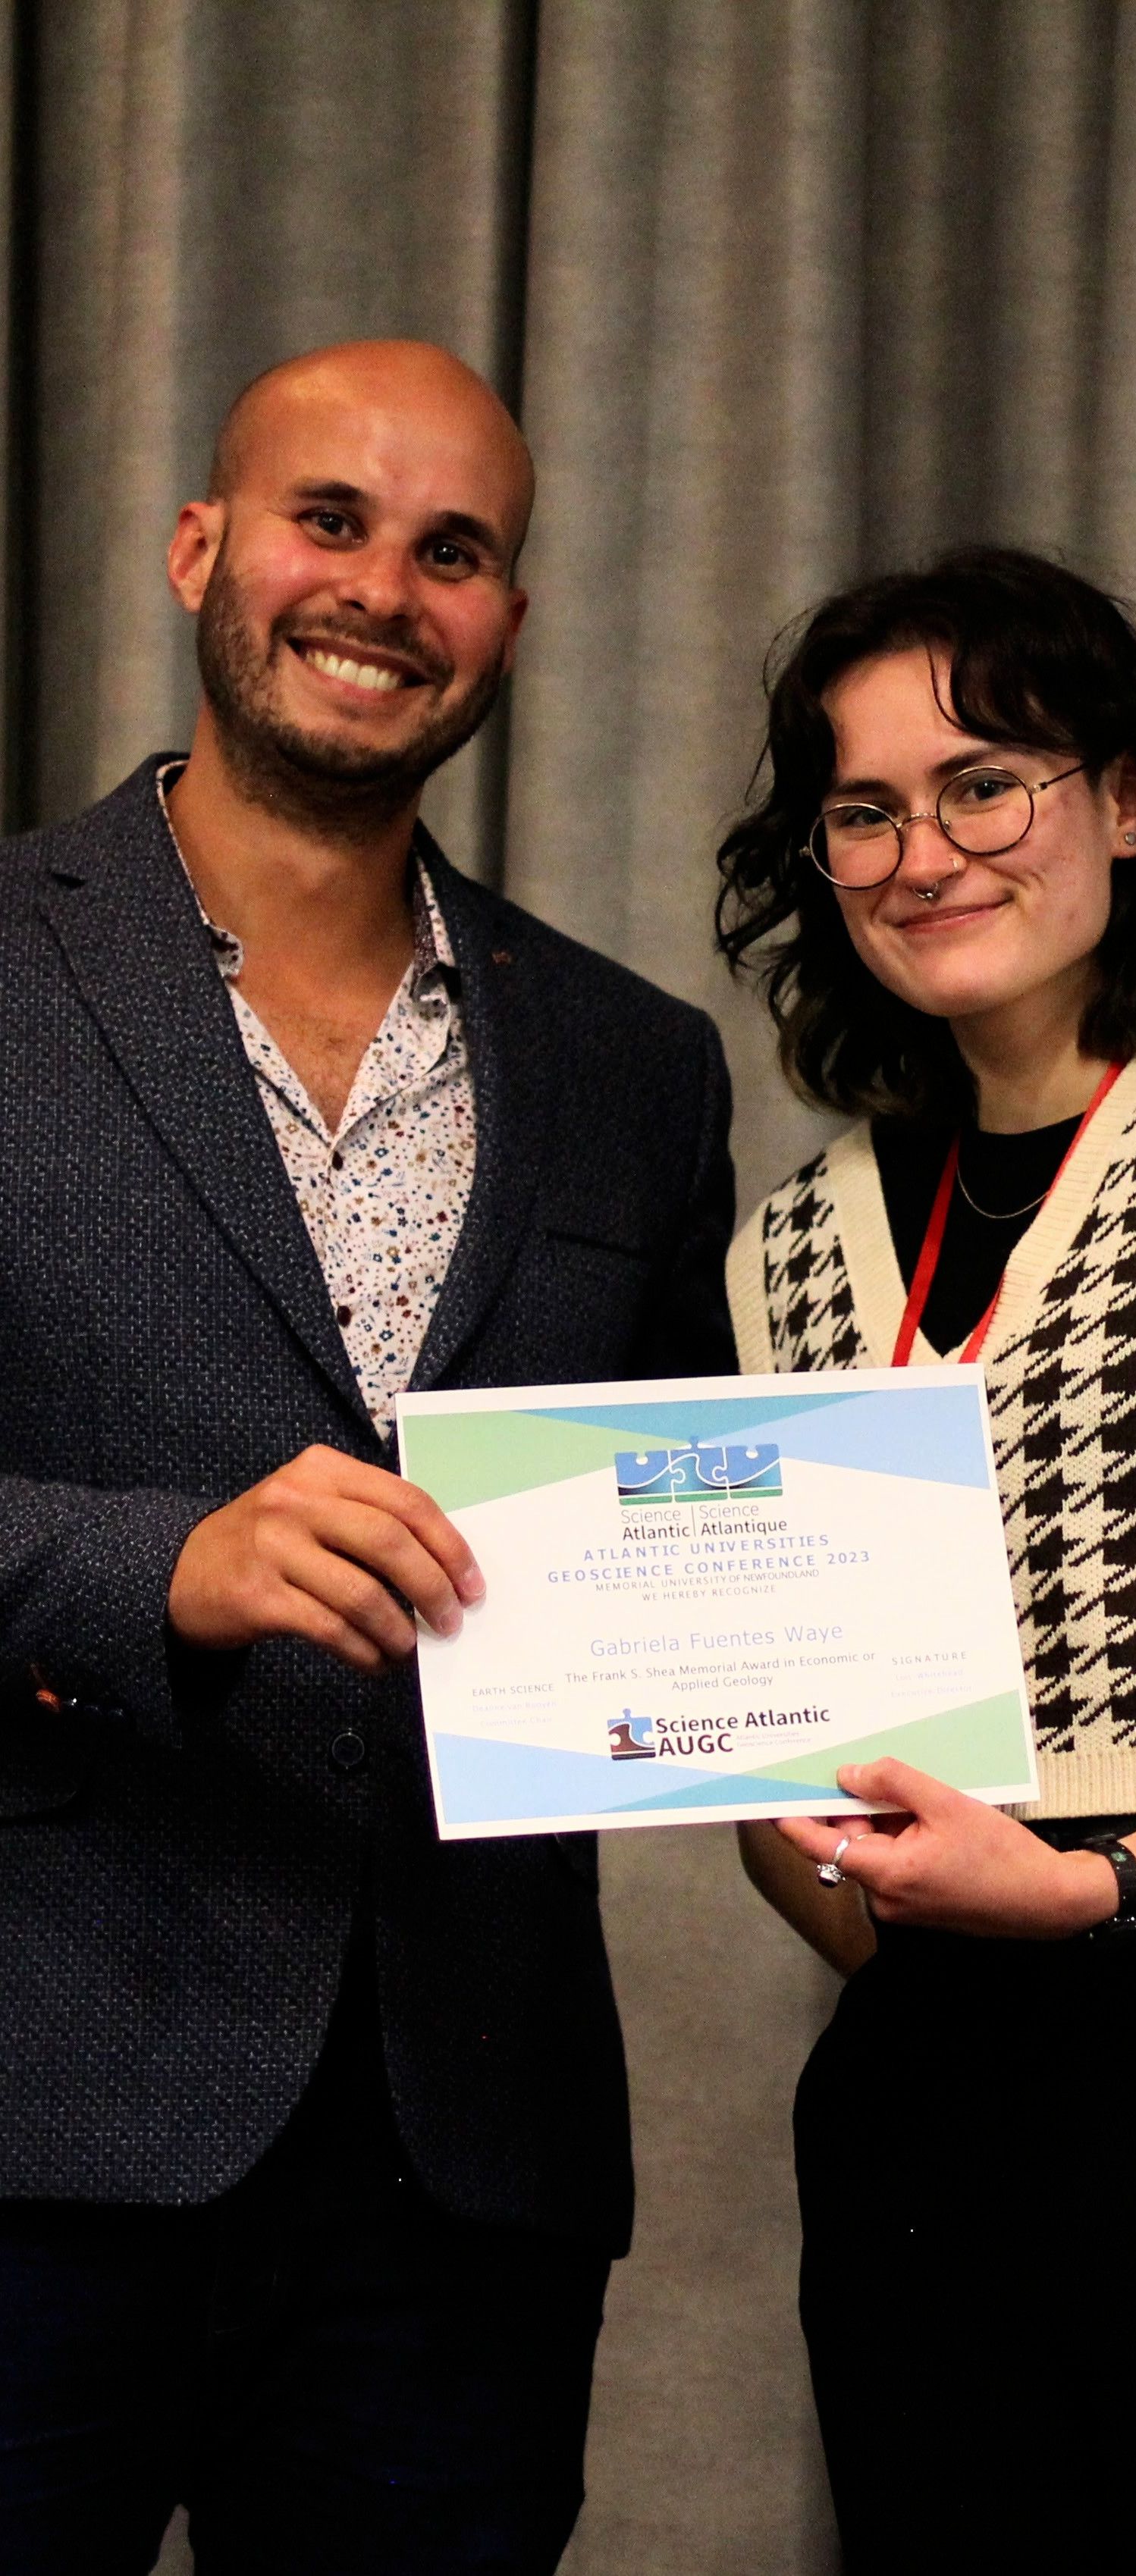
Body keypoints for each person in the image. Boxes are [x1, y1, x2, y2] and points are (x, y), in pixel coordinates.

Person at [0, 338, 735, 2576]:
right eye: (329, 519)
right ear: (197, 547)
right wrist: (150, 1569)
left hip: (465, 2166)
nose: (384, 591)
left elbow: (682, 1538)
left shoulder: (632, 1062)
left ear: (509, 618)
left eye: (456, 550)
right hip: (34, 2113)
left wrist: (806, 1719)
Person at [717, 547, 1136, 2570]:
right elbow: (776, 1772)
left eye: (983, 782)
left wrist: (1091, 1893)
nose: (925, 854)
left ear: (1127, 804)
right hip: (925, 2122)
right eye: (864, 811)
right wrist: (845, 1861)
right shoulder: (786, 1249)